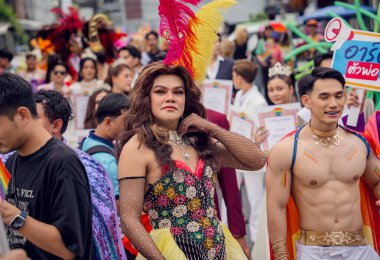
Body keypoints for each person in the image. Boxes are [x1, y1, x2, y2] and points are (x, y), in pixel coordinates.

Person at [117, 61, 267, 259]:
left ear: (186, 98)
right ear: (147, 98)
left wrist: (212, 128)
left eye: (178, 92)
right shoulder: (137, 148)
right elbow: (129, 220)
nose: (170, 98)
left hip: (219, 251)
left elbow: (256, 160)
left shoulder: (199, 142)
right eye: (161, 92)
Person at [266, 67, 380, 260]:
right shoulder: (286, 149)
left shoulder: (360, 143)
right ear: (306, 101)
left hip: (360, 250)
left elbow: (376, 182)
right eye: (324, 97)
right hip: (314, 252)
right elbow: (276, 206)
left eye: (339, 95)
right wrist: (281, 256)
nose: (334, 104)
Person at [0, 73, 94, 259]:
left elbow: (70, 250)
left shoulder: (63, 162)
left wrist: (14, 216)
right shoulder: (11, 162)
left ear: (22, 115)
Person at [34, 89, 126, 259]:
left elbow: (95, 228)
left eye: (34, 117)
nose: (27, 122)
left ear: (56, 125)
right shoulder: (12, 161)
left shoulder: (84, 162)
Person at [231, 59, 268, 247]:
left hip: (252, 153)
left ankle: (256, 238)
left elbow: (262, 130)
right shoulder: (239, 96)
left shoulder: (259, 101)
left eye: (234, 75)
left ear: (241, 77)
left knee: (255, 198)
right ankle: (230, 229)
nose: (233, 79)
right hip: (235, 151)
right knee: (232, 191)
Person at [80, 93, 129, 209]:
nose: (129, 126)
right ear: (108, 122)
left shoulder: (86, 141)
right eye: (125, 122)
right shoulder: (106, 160)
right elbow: (117, 204)